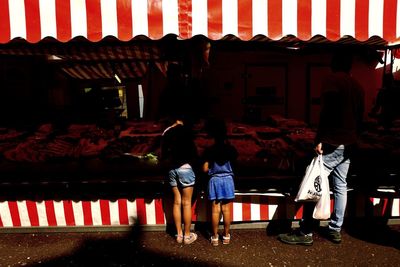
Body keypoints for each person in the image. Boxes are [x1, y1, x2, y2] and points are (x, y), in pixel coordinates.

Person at [279, 51, 365, 245]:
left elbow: (328, 111)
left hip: (332, 140)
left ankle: (306, 232)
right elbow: (361, 117)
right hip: (349, 142)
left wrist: (320, 138)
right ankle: (335, 229)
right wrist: (355, 138)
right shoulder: (358, 86)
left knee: (314, 181)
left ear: (334, 64)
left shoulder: (332, 81)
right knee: (341, 185)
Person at [161, 116, 198, 245]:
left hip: (172, 169)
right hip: (186, 168)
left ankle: (179, 235)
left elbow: (163, 154)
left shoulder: (167, 132)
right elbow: (194, 153)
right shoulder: (187, 131)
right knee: (186, 203)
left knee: (177, 202)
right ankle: (187, 236)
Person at [202, 119, 238, 246]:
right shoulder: (231, 149)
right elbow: (236, 164)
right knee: (226, 210)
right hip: (228, 180)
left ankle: (215, 237)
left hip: (215, 180)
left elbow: (205, 169)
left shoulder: (210, 150)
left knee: (215, 210)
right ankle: (227, 236)